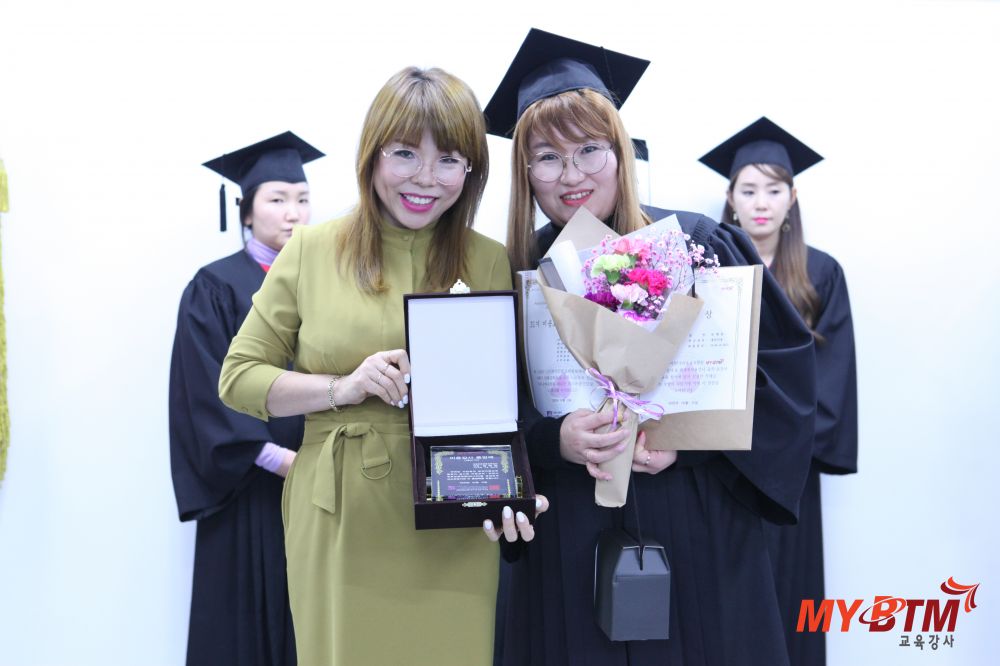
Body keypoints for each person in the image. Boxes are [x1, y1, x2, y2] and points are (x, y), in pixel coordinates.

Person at [484, 29, 817, 665]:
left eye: (589, 149)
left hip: (692, 521)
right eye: (547, 157)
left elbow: (781, 380)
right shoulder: (515, 273)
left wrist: (683, 441)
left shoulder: (696, 244)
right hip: (568, 529)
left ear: (621, 151)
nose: (571, 175)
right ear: (524, 172)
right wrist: (554, 440)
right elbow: (489, 418)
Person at [218, 66, 543, 666]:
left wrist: (517, 492)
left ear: (471, 170)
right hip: (342, 514)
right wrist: (342, 387)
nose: (426, 178)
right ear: (371, 155)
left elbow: (507, 401)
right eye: (405, 154)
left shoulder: (489, 260)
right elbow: (239, 378)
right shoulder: (312, 249)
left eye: (449, 160)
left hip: (455, 514)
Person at [700, 117, 858, 666]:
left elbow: (833, 382)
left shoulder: (820, 273)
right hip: (720, 465)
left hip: (790, 470)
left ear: (793, 198)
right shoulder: (709, 267)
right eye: (748, 190)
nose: (761, 203)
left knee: (790, 603)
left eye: (773, 190)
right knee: (725, 603)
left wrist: (778, 443)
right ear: (730, 199)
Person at [169, 130, 323, 666]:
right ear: (246, 210)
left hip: (320, 489)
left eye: (302, 199)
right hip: (250, 491)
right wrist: (279, 459)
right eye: (277, 199)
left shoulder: (324, 283)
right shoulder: (214, 287)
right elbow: (204, 390)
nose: (293, 214)